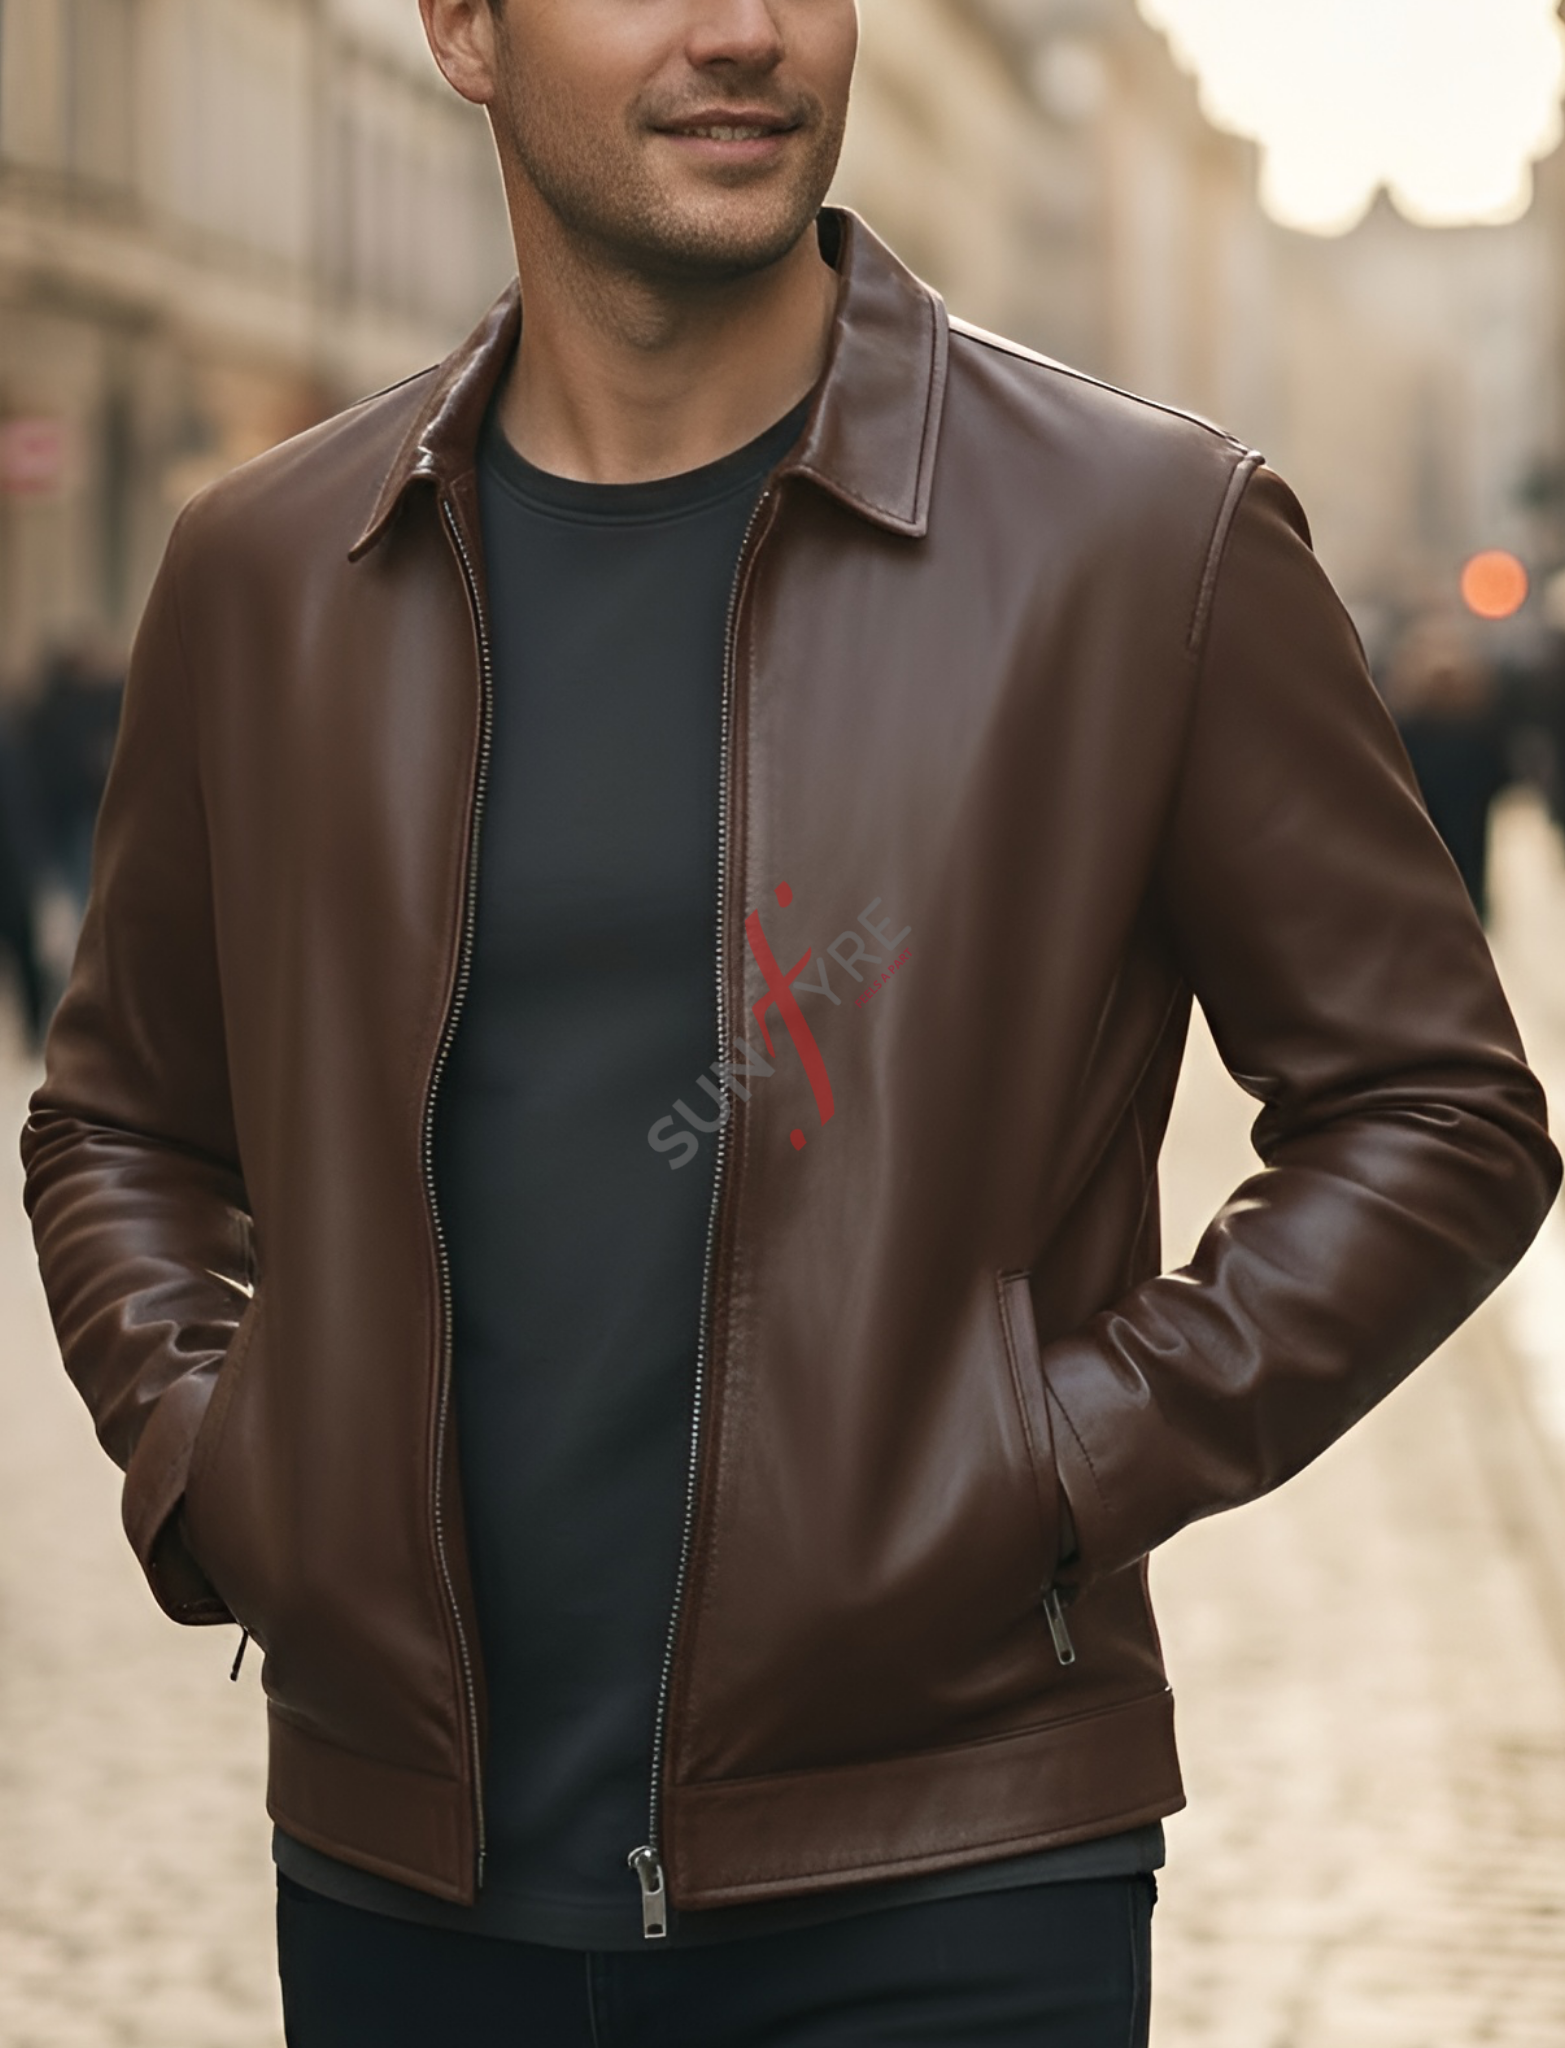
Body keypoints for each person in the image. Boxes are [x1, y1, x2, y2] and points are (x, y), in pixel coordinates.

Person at [21, 3, 1560, 2044]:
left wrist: (1052, 1462)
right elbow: (119, 1118)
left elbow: (1435, 1107)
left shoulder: (1142, 536)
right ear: (463, 29)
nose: (742, 28)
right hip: (404, 1882)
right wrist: (225, 1464)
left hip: (951, 1881)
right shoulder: (270, 569)